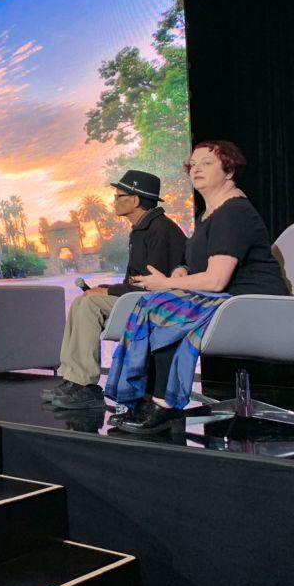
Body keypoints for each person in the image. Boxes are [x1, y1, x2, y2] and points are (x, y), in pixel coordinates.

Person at [106, 141, 289, 434]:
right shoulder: (208, 215)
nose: (196, 169)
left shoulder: (234, 212)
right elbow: (200, 265)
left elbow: (216, 279)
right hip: (225, 299)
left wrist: (165, 283)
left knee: (162, 305)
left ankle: (165, 404)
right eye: (193, 163)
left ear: (229, 171)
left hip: (252, 303)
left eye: (207, 163)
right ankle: (143, 398)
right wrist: (182, 271)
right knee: (153, 303)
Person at [44, 171, 187, 409]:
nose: (114, 200)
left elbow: (153, 282)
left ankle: (85, 387)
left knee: (89, 303)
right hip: (139, 297)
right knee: (83, 301)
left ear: (135, 200)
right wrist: (106, 288)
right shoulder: (142, 228)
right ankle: (73, 379)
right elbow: (134, 279)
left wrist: (108, 293)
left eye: (119, 195)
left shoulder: (161, 230)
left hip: (155, 303)